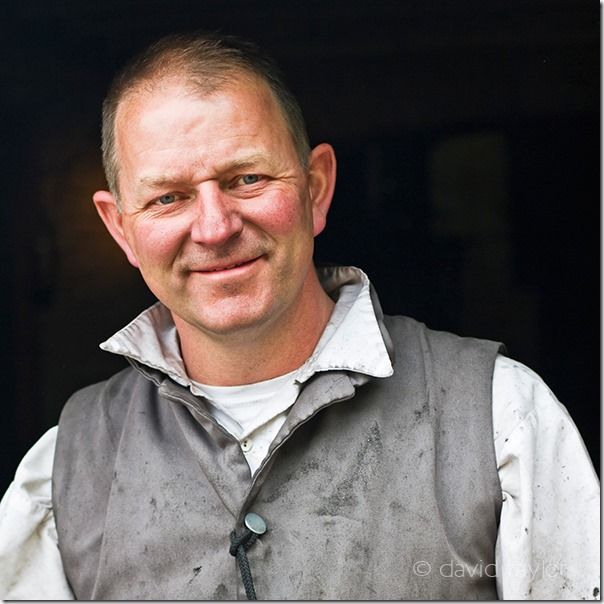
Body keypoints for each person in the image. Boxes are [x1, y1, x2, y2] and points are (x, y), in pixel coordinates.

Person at [0, 31, 599, 601]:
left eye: (248, 179)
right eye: (168, 198)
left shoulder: (502, 417)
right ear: (120, 228)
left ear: (316, 189)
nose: (214, 228)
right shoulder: (60, 474)